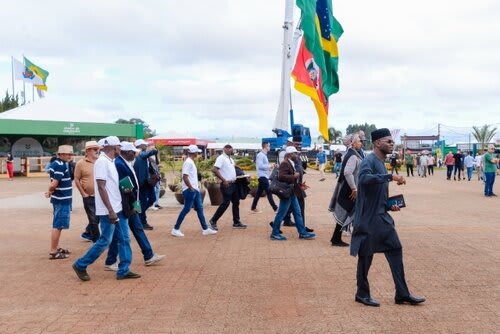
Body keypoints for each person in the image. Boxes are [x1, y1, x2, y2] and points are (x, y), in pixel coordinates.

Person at [350, 128, 425, 307]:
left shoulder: (381, 162)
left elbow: (375, 194)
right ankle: (361, 293)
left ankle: (402, 293)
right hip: (368, 221)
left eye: (392, 142)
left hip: (382, 218)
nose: (392, 144)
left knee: (395, 249)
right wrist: (390, 176)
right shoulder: (369, 160)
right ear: (377, 143)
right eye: (389, 141)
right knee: (366, 257)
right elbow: (364, 179)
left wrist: (389, 205)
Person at [72, 136, 140, 281]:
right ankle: (81, 264)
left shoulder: (110, 161)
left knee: (124, 238)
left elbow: (110, 185)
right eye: (119, 147)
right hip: (109, 210)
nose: (120, 149)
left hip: (117, 208)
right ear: (114, 148)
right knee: (105, 240)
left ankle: (123, 270)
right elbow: (101, 187)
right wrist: (110, 211)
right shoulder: (102, 162)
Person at [104, 141, 165, 269]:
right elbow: (125, 186)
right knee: (120, 234)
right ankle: (111, 261)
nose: (135, 155)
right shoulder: (120, 164)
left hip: (131, 202)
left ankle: (148, 255)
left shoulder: (125, 162)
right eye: (133, 152)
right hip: (127, 204)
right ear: (126, 152)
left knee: (135, 229)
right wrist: (133, 206)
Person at [270, 146, 316, 241]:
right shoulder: (285, 163)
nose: (297, 155)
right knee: (282, 213)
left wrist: (299, 185)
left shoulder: (291, 162)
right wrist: (293, 176)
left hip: (292, 191)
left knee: (297, 212)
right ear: (290, 154)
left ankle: (302, 233)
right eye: (295, 153)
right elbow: (281, 176)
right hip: (287, 192)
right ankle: (275, 233)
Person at [172, 145, 218, 237]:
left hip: (194, 189)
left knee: (199, 208)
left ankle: (205, 229)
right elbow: (185, 176)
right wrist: (190, 187)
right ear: (194, 153)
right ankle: (176, 228)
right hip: (190, 189)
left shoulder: (190, 162)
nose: (198, 153)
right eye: (197, 152)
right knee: (186, 209)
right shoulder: (188, 162)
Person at [329, 133, 363, 247]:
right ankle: (336, 239)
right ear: (353, 143)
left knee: (347, 213)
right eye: (359, 141)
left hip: (348, 188)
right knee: (346, 213)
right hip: (349, 189)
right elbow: (348, 172)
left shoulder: (351, 153)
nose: (361, 142)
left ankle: (336, 238)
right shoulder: (353, 156)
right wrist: (354, 188)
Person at [45, 145, 75, 259]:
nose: (70, 156)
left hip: (60, 198)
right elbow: (54, 183)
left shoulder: (56, 164)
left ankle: (56, 248)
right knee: (58, 225)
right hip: (62, 199)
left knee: (58, 224)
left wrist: (51, 192)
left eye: (70, 154)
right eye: (68, 154)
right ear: (61, 154)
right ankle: (53, 251)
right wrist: (49, 191)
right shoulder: (61, 165)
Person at [209, 144, 247, 231]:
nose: (231, 150)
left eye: (232, 149)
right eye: (229, 149)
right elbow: (214, 169)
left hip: (234, 184)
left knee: (236, 202)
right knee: (225, 203)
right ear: (225, 149)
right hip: (227, 184)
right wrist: (224, 180)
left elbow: (233, 169)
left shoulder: (230, 158)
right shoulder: (221, 158)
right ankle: (213, 220)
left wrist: (242, 174)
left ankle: (236, 222)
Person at [74, 141, 101, 242]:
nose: (97, 151)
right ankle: (97, 241)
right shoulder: (80, 163)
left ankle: (88, 233)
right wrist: (83, 194)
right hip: (88, 196)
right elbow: (76, 179)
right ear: (88, 151)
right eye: (94, 149)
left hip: (101, 196)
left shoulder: (100, 161)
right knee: (93, 220)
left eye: (97, 149)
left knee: (98, 218)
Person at [133, 139, 158, 230]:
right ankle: (142, 221)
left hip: (147, 182)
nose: (146, 146)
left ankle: (138, 213)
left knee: (152, 199)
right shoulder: (140, 153)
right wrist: (154, 150)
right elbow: (153, 152)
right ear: (140, 146)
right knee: (141, 202)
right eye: (145, 145)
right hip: (142, 183)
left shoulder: (143, 155)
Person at [250, 142, 278, 214]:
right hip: (262, 177)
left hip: (263, 176)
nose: (270, 147)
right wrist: (270, 166)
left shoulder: (263, 155)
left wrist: (271, 166)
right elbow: (260, 166)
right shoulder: (260, 155)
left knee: (258, 193)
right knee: (269, 192)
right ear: (265, 146)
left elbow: (263, 166)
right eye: (269, 146)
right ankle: (275, 208)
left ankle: (253, 207)